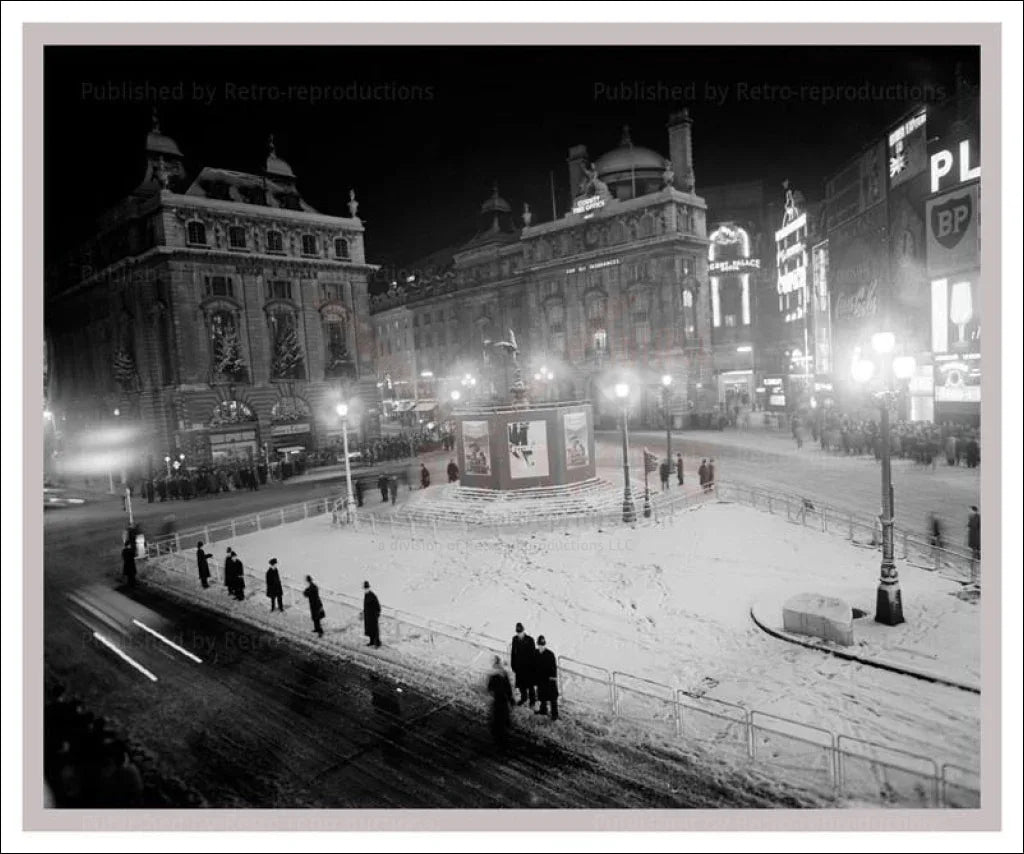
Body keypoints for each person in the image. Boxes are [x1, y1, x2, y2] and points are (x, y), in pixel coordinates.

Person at [486, 655, 515, 747]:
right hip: (504, 700)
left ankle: (498, 740)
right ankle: (504, 738)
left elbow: (489, 688)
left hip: (497, 700)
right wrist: (511, 699)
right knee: (504, 719)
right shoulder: (504, 673)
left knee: (497, 720)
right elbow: (508, 688)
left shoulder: (493, 675)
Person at [510, 622, 537, 707]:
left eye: (520, 632)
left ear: (523, 631)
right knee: (521, 685)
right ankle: (524, 698)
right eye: (518, 632)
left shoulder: (530, 640)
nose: (519, 634)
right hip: (519, 666)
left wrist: (533, 667)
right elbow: (513, 653)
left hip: (528, 667)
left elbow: (533, 655)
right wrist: (513, 664)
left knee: (530, 685)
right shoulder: (514, 639)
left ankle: (532, 701)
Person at [533, 635, 559, 721]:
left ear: (545, 645)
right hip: (540, 679)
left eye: (542, 645)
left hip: (549, 680)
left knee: (552, 698)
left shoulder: (550, 654)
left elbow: (553, 668)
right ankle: (543, 711)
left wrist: (552, 678)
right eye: (540, 645)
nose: (541, 647)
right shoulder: (536, 653)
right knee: (541, 696)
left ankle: (554, 715)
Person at [363, 580, 382, 648]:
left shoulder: (372, 595)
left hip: (373, 616)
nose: (366, 589)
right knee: (370, 630)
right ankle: (371, 641)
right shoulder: (366, 595)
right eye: (365, 588)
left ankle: (377, 643)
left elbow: (377, 606)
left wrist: (376, 614)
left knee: (374, 630)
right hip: (368, 616)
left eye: (366, 588)